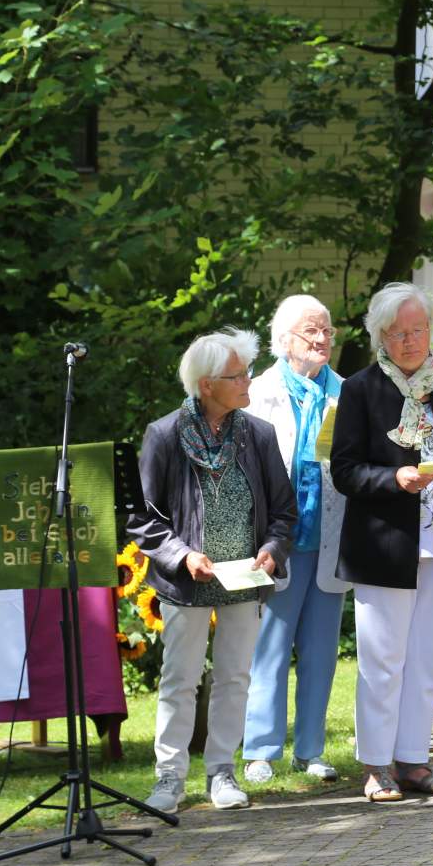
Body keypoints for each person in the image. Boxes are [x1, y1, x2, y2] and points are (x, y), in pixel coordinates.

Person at [331, 283, 433, 801]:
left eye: (418, 330)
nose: (410, 341)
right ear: (381, 335)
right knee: (383, 659)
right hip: (386, 544)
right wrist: (395, 480)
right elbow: (345, 470)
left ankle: (415, 760)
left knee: (429, 659)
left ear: (430, 330)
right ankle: (377, 764)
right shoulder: (361, 389)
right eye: (398, 333)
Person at [130, 328, 297, 814]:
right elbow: (142, 515)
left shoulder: (258, 434)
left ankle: (221, 771)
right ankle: (169, 778)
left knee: (234, 677)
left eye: (247, 371)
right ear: (206, 384)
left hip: (245, 580)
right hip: (187, 583)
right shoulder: (164, 435)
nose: (248, 381)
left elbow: (284, 511)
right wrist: (183, 556)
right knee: (179, 679)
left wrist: (271, 549)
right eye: (237, 374)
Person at [240, 296, 353, 786]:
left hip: (329, 537)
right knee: (270, 647)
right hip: (278, 542)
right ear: (285, 340)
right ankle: (261, 749)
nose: (323, 339)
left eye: (327, 331)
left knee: (321, 649)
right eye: (312, 332)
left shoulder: (348, 393)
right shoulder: (259, 392)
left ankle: (310, 749)